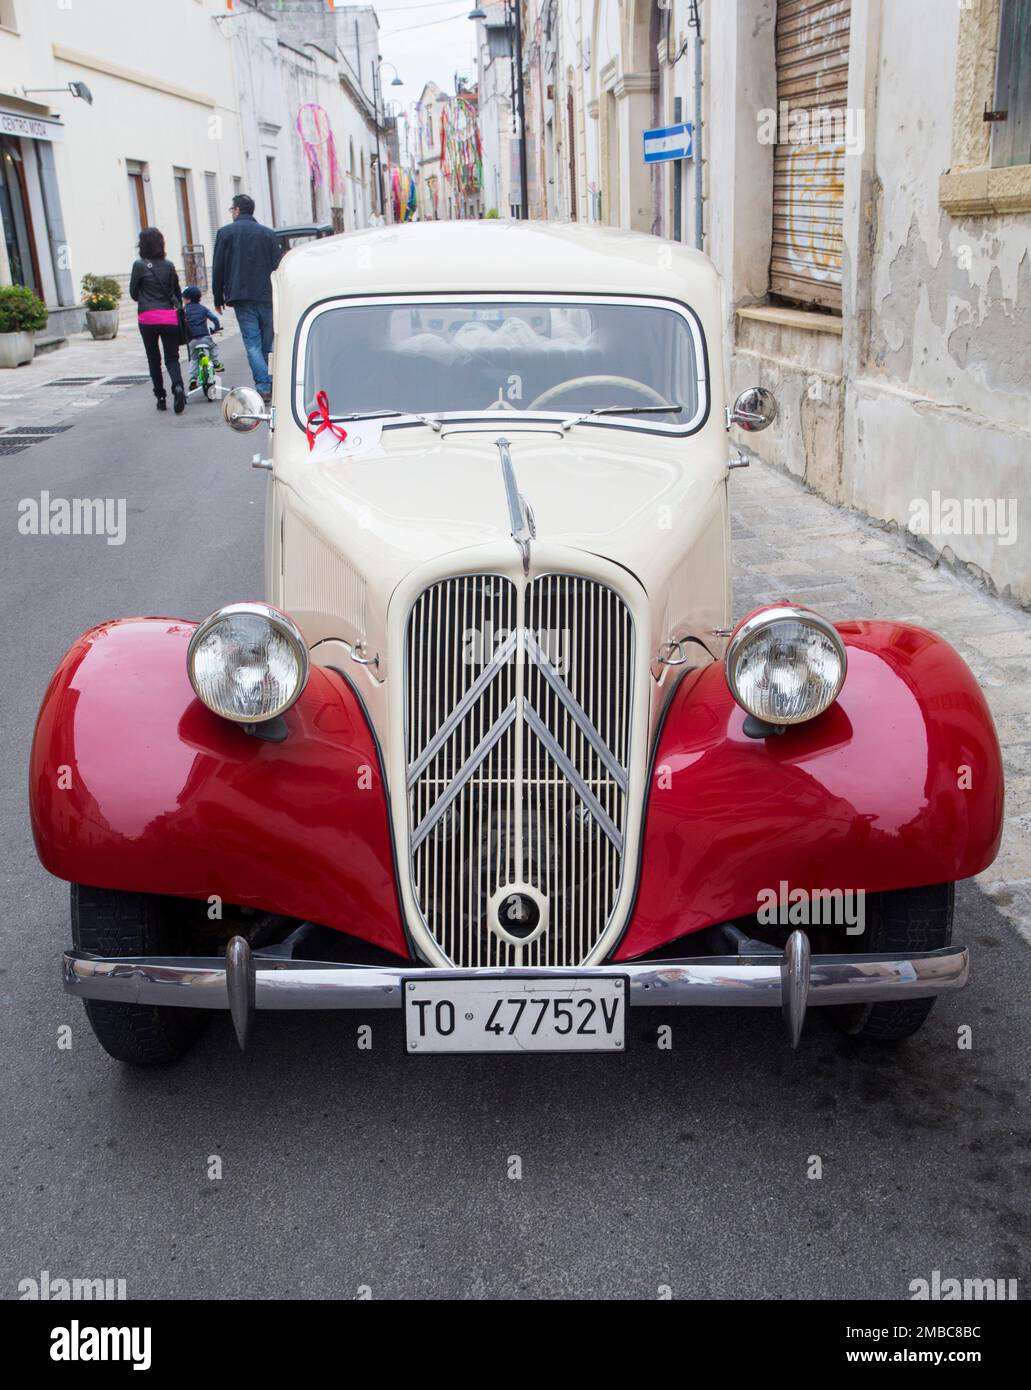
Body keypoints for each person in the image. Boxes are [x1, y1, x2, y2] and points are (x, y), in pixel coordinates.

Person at [212, 193, 281, 404]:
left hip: (241, 296)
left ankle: (263, 386)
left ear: (237, 210)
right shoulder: (268, 234)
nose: (232, 213)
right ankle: (271, 383)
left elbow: (218, 267)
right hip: (267, 295)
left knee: (252, 343)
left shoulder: (225, 233)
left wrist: (218, 296)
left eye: (232, 209)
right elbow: (278, 266)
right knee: (268, 343)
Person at [129, 227, 186, 414]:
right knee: (172, 358)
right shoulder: (169, 265)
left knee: (153, 358)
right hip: (168, 317)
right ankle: (178, 386)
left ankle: (160, 397)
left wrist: (146, 299)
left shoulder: (139, 266)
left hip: (147, 318)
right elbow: (176, 292)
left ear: (142, 245)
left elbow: (133, 293)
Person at [181, 285, 223, 389]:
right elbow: (215, 319)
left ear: (188, 299)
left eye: (184, 298)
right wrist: (215, 328)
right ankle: (216, 363)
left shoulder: (184, 310)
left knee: (194, 359)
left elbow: (180, 323)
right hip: (205, 337)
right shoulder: (203, 309)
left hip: (191, 339)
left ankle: (193, 379)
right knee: (213, 347)